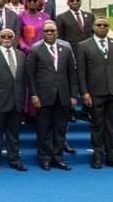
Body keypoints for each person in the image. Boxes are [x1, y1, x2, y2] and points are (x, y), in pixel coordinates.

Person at [77, 18, 113, 169]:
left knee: (112, 127)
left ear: (109, 28)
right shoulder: (84, 45)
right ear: (93, 27)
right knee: (97, 126)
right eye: (99, 25)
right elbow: (81, 72)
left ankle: (112, 157)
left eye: (105, 25)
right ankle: (97, 157)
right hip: (95, 93)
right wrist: (84, 92)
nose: (102, 27)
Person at [25, 20, 78, 170]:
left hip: (63, 95)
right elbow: (30, 74)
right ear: (42, 33)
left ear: (57, 32)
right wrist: (34, 95)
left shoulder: (66, 49)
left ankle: (58, 158)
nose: (49, 33)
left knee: (60, 129)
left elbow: (72, 74)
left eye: (52, 31)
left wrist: (73, 95)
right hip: (43, 96)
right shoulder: (35, 49)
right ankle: (45, 158)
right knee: (44, 129)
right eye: (47, 31)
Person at [0, 28, 27, 172]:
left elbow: (23, 80)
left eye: (9, 36)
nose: (6, 38)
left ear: (14, 39)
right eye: (3, 36)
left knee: (14, 134)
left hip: (16, 100)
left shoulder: (21, 55)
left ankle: (14, 159)